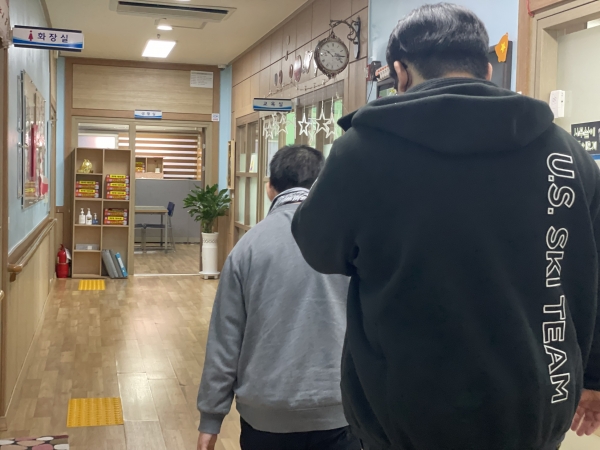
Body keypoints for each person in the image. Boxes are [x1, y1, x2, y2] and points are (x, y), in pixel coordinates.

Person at [291, 4, 600, 450]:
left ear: (400, 73)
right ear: (487, 69)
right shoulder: (566, 155)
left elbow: (319, 249)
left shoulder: (361, 151)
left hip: (404, 407)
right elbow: (593, 272)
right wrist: (593, 377)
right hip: (534, 405)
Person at [196, 145, 360, 450]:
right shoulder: (350, 243)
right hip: (339, 409)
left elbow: (225, 339)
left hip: (266, 414)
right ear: (323, 184)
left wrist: (211, 418)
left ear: (270, 187)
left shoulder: (248, 247)